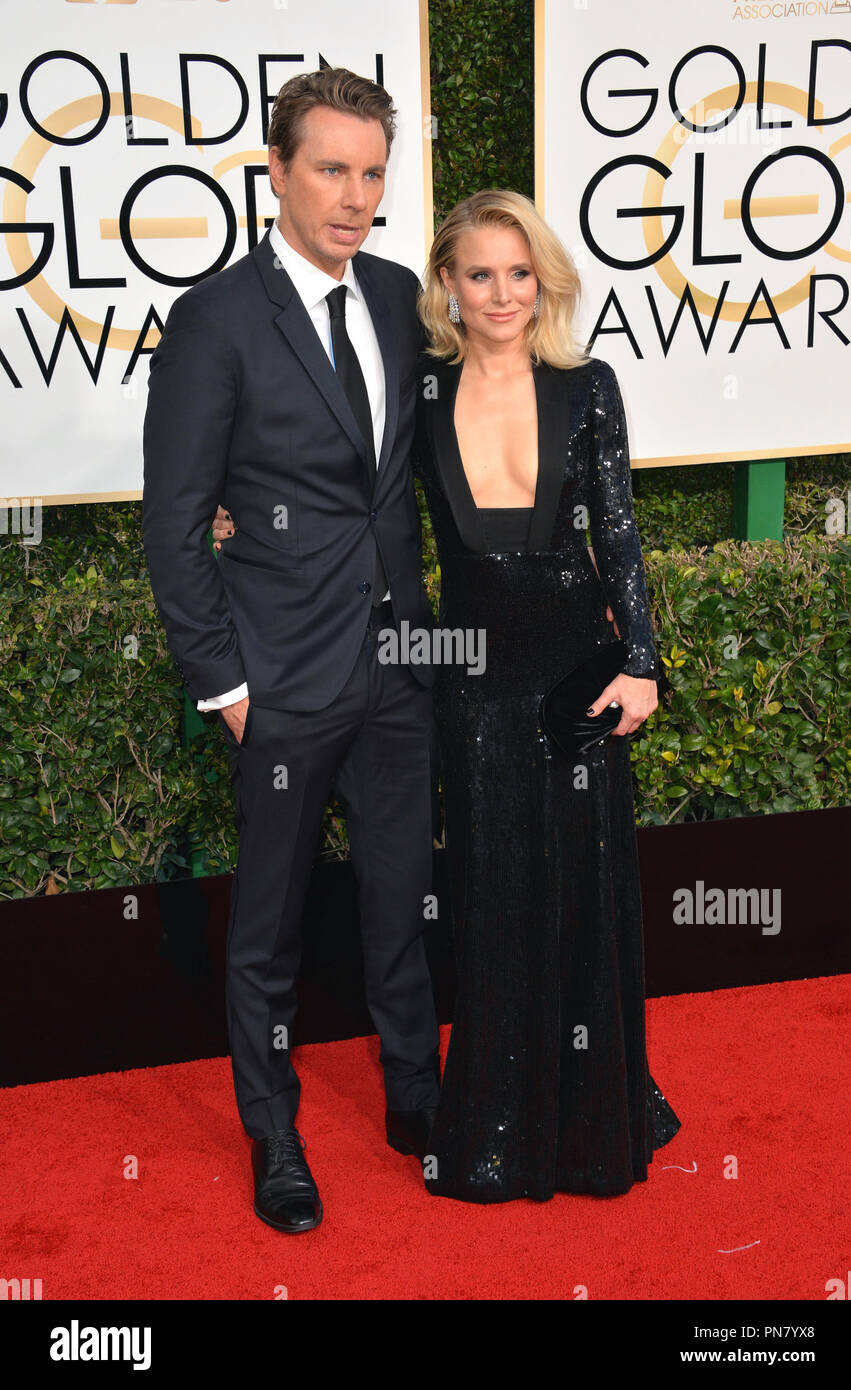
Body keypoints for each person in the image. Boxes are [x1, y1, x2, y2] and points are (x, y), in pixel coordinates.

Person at [142, 68, 442, 1235]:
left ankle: (415, 1096)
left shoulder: (400, 294)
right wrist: (227, 686)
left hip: (397, 669)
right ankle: (274, 1135)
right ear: (276, 172)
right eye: (331, 168)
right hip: (278, 685)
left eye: (372, 172)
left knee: (400, 898)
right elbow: (173, 522)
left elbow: (425, 477)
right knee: (264, 928)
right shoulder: (217, 319)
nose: (354, 195)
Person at [408, 190, 681, 1202]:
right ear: (448, 282)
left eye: (519, 273)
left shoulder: (587, 385)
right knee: (489, 895)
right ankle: (493, 1126)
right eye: (480, 273)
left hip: (576, 668)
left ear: (544, 280)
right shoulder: (418, 392)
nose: (502, 293)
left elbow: (617, 533)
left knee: (582, 891)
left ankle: (589, 1116)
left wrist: (641, 663)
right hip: (473, 674)